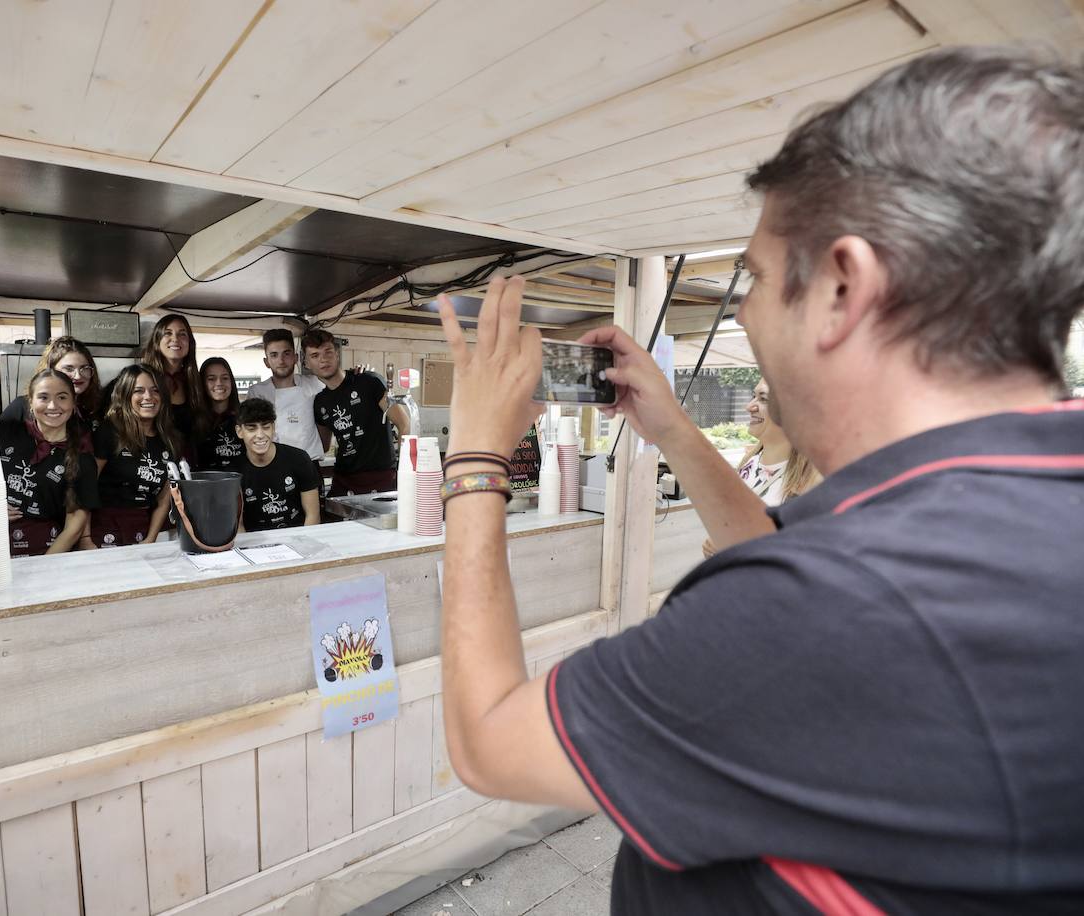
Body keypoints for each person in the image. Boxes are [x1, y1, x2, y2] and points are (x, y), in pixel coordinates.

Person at [432, 48, 1084, 915]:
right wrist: (670, 428)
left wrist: (475, 459)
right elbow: (783, 549)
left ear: (843, 287)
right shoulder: (1005, 501)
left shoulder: (834, 607)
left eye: (758, 277)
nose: (741, 310)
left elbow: (488, 740)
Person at [700, 378, 821, 557]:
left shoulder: (812, 480)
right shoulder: (749, 463)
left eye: (763, 399)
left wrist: (737, 550)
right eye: (753, 396)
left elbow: (808, 556)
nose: (749, 406)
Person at [0, 369, 99, 556]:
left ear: (73, 403)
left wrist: (44, 565)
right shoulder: (6, 434)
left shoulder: (82, 457)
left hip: (47, 548)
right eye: (43, 397)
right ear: (31, 402)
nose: (53, 405)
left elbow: (73, 528)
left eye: (62, 397)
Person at [303, 328, 410, 496]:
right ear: (306, 363)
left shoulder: (369, 381)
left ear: (337, 354)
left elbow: (404, 424)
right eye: (315, 356)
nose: (323, 360)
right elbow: (322, 446)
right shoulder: (320, 402)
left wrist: (405, 471)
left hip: (380, 476)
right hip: (343, 479)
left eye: (328, 352)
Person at [90, 365, 183, 548]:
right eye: (138, 391)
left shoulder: (171, 440)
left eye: (155, 390)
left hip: (143, 526)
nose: (148, 397)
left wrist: (151, 539)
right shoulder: (109, 433)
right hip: (104, 526)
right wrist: (85, 538)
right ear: (125, 396)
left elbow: (164, 499)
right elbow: (86, 487)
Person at [246, 329, 330, 476]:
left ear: (296, 357)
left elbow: (337, 387)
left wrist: (355, 376)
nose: (281, 360)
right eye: (274, 355)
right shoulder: (257, 392)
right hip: (272, 468)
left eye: (286, 353)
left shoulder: (315, 385)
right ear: (266, 362)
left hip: (309, 466)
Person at [232, 398, 320, 531]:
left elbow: (313, 515)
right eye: (252, 428)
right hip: (256, 543)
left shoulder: (299, 458)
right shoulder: (234, 472)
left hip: (299, 538)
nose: (260, 435)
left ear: (273, 428)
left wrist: (305, 546)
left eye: (266, 427)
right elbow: (239, 526)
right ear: (239, 431)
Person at [1, 337, 102, 440]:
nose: (78, 376)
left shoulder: (92, 411)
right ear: (50, 370)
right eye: (68, 369)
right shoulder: (21, 407)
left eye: (84, 368)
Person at [139, 313, 207, 458]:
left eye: (182, 334)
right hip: (149, 464)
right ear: (157, 342)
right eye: (167, 333)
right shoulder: (141, 378)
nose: (175, 339)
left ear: (189, 343)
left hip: (187, 466)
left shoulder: (195, 382)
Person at [197, 357, 244, 471]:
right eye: (211, 379)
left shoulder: (244, 419)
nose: (219, 383)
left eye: (225, 378)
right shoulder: (192, 421)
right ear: (202, 383)